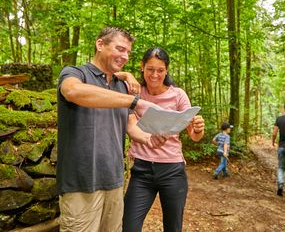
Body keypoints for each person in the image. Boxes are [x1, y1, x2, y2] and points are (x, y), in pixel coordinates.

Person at [57, 27, 164, 232]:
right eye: (120, 49)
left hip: (114, 181)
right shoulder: (74, 73)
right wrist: (135, 102)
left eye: (128, 53)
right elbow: (73, 91)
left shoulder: (121, 86)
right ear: (100, 44)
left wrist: (148, 138)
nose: (124, 56)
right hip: (80, 182)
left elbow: (130, 125)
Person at [122, 47, 205, 232]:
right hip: (141, 171)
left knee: (173, 228)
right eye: (150, 69)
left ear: (166, 70)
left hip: (172, 171)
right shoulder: (134, 92)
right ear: (142, 67)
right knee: (128, 226)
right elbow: (109, 76)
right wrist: (127, 74)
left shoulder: (178, 94)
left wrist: (199, 129)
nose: (154, 75)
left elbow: (194, 135)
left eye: (160, 70)